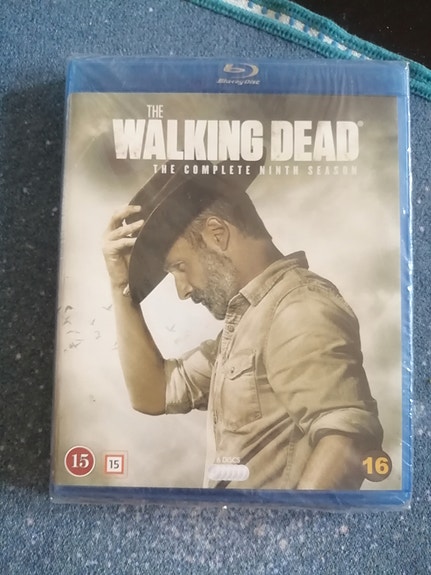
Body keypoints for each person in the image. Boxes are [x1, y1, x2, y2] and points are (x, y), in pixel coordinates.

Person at [103, 159, 383, 490]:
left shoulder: (296, 309)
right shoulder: (248, 326)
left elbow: (347, 440)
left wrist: (292, 523)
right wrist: (121, 287)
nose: (182, 290)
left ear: (217, 234)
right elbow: (154, 394)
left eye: (179, 266)